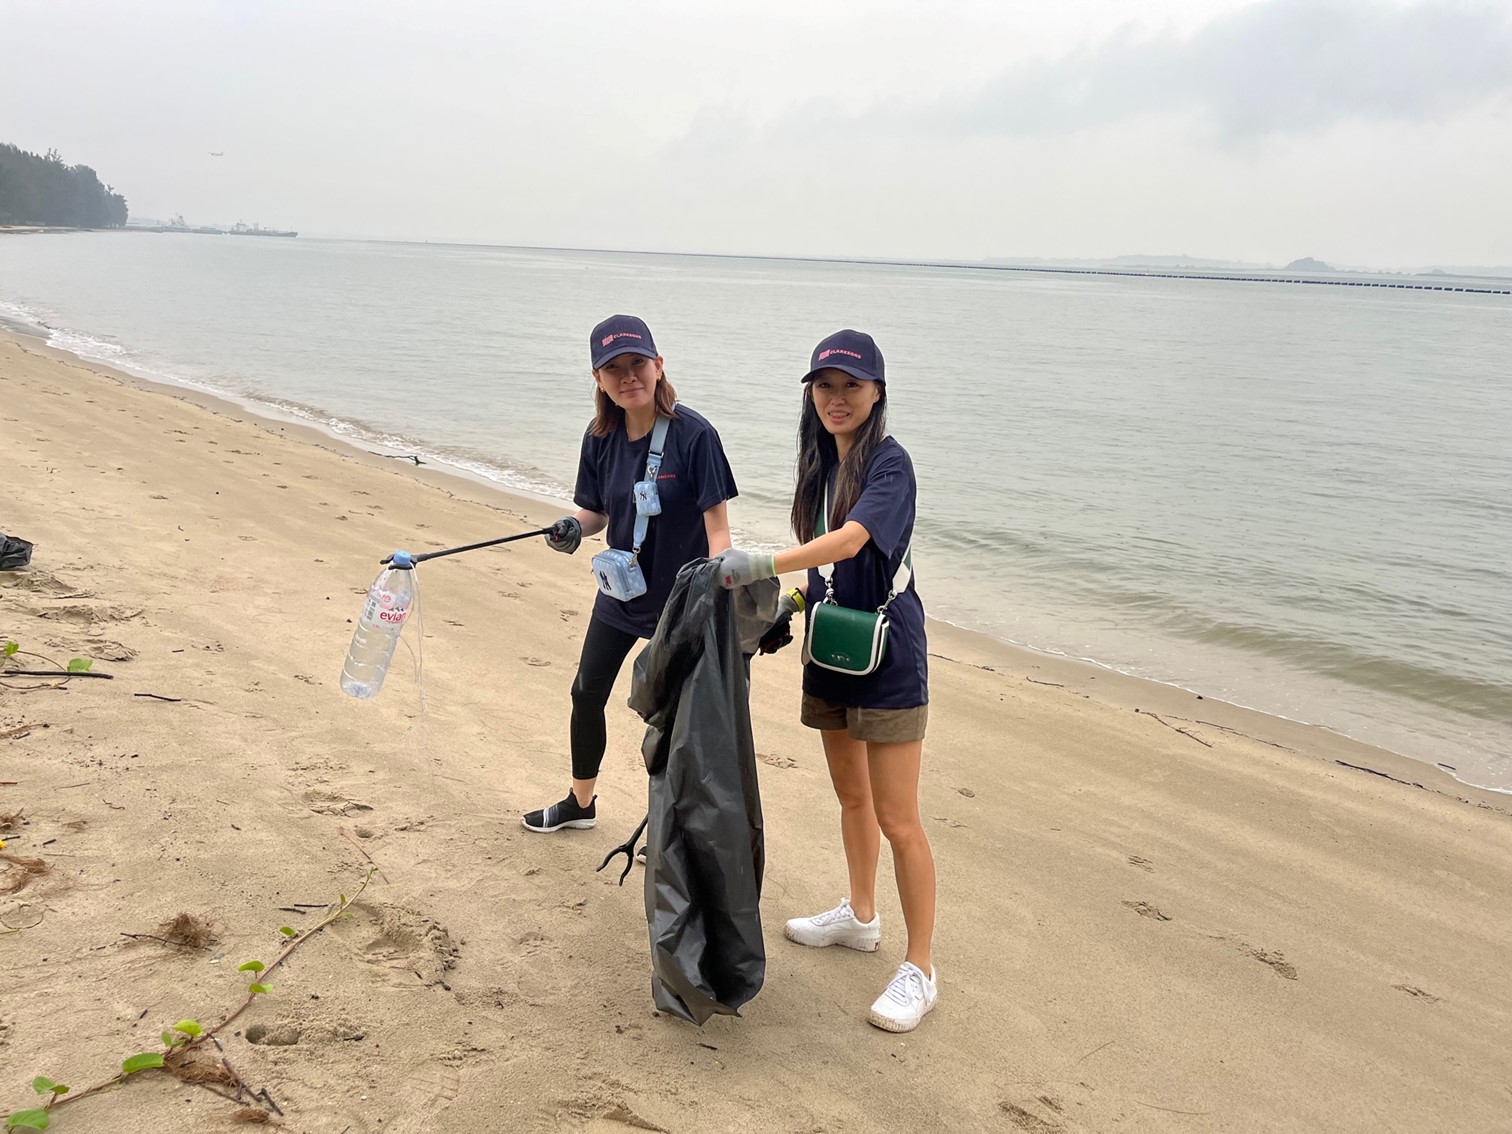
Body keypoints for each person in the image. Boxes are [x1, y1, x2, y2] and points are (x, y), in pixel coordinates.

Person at [714, 329, 936, 1033]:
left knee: (900, 819)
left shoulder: (889, 466)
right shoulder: (819, 468)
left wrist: (759, 564)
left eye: (851, 386)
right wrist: (791, 605)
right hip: (833, 646)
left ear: (877, 393)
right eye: (824, 386)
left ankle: (921, 969)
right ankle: (861, 917)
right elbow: (829, 571)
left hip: (889, 654)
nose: (837, 399)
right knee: (851, 797)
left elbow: (850, 544)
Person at [524, 314, 738, 836]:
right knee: (585, 693)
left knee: (672, 718)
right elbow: (596, 514)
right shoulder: (599, 437)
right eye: (613, 368)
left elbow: (719, 532)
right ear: (598, 379)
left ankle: (667, 825)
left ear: (659, 366)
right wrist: (571, 526)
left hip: (680, 603)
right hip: (620, 594)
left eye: (637, 363)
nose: (628, 377)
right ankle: (581, 802)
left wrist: (721, 596)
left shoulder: (696, 435)